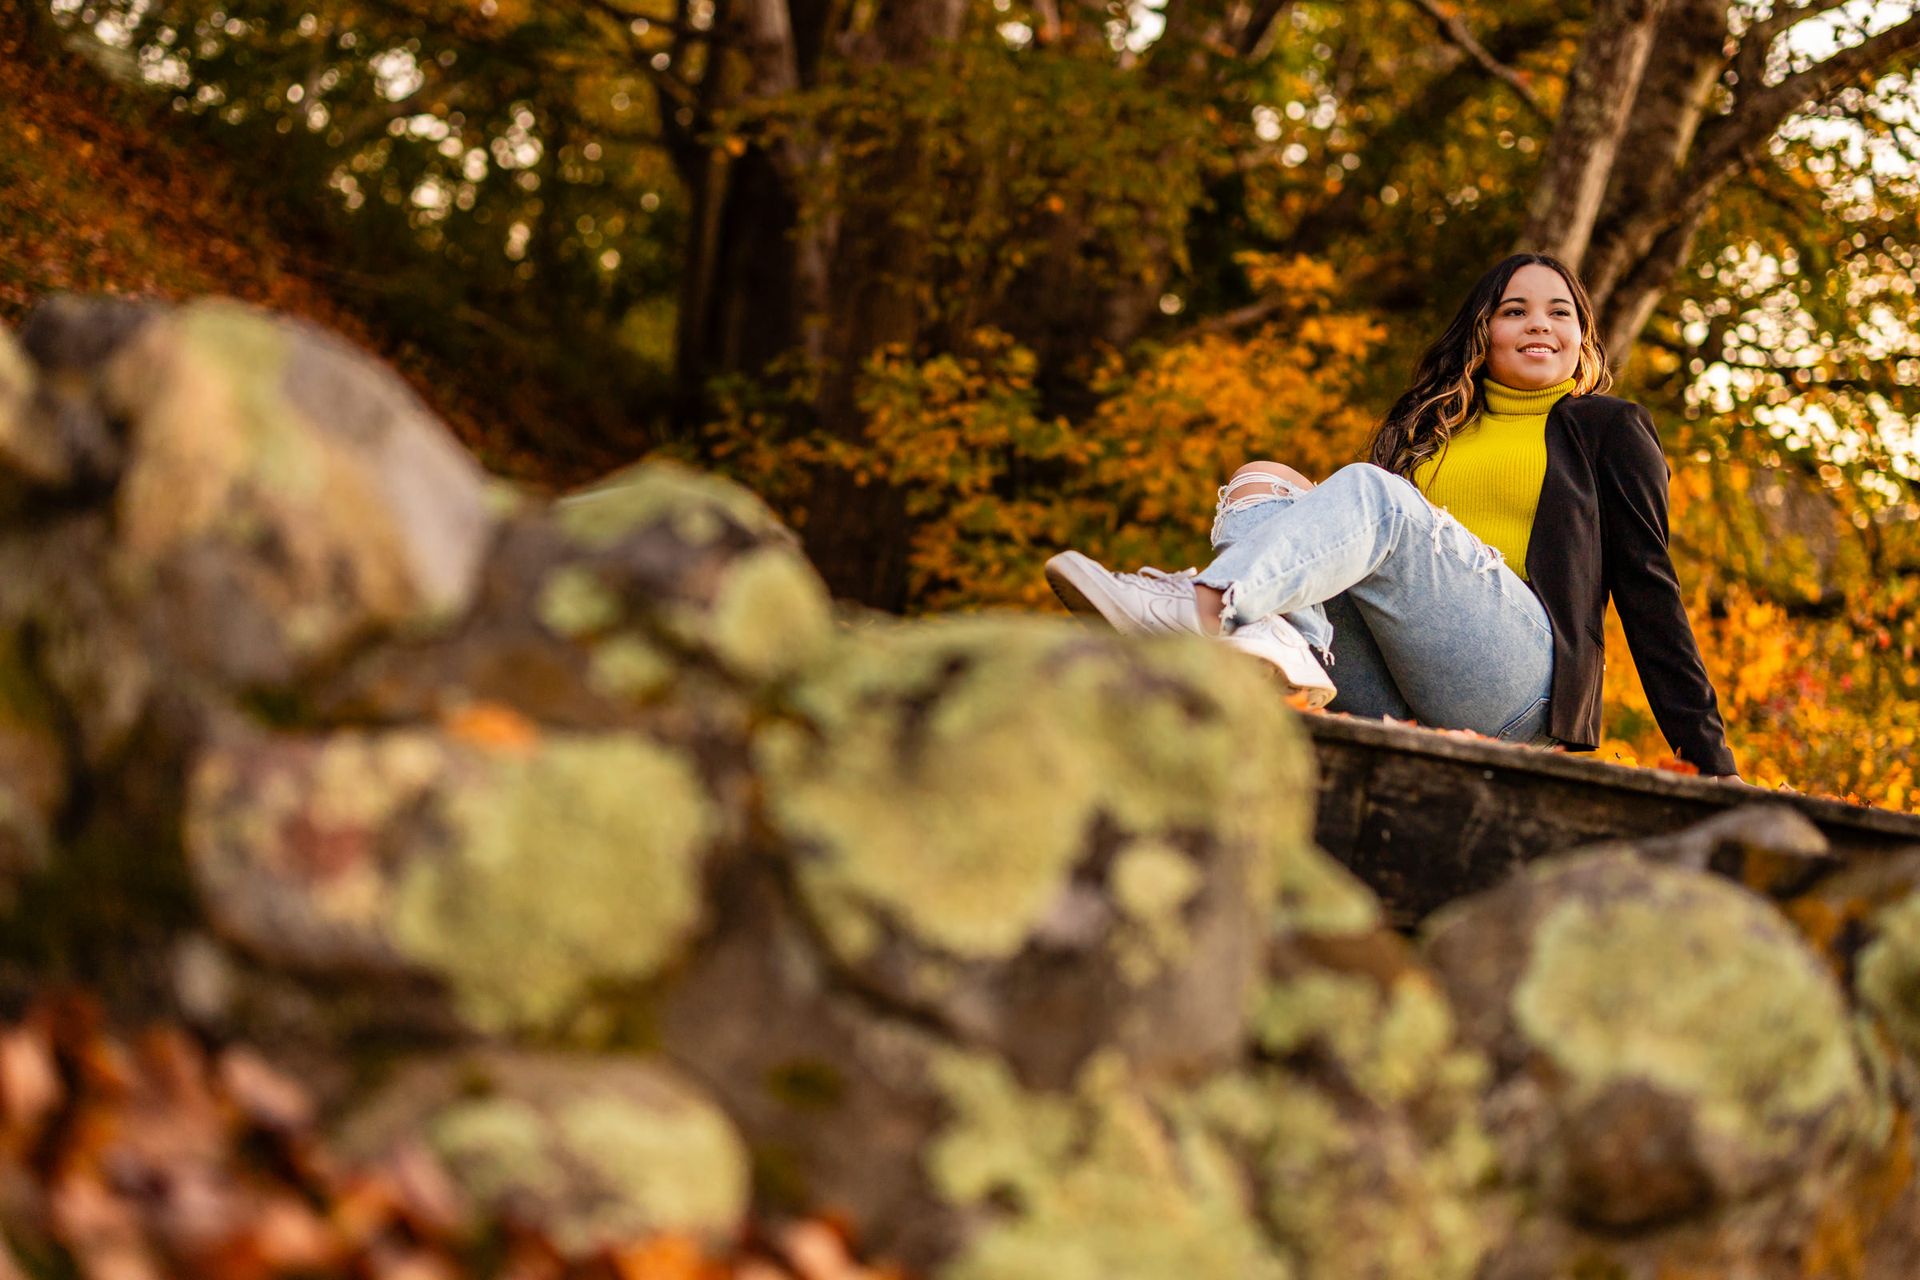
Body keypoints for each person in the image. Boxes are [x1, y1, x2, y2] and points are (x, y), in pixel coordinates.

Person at [1045, 252, 1740, 779]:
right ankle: (1285, 644)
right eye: (1514, 309)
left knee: (1367, 492)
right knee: (1264, 480)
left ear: (1582, 338)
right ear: (1484, 332)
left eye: (1560, 311)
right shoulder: (1429, 433)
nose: (1539, 323)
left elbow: (1650, 590)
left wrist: (1709, 764)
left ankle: (1206, 606)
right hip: (1400, 682)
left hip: (1517, 688)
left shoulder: (1607, 429)